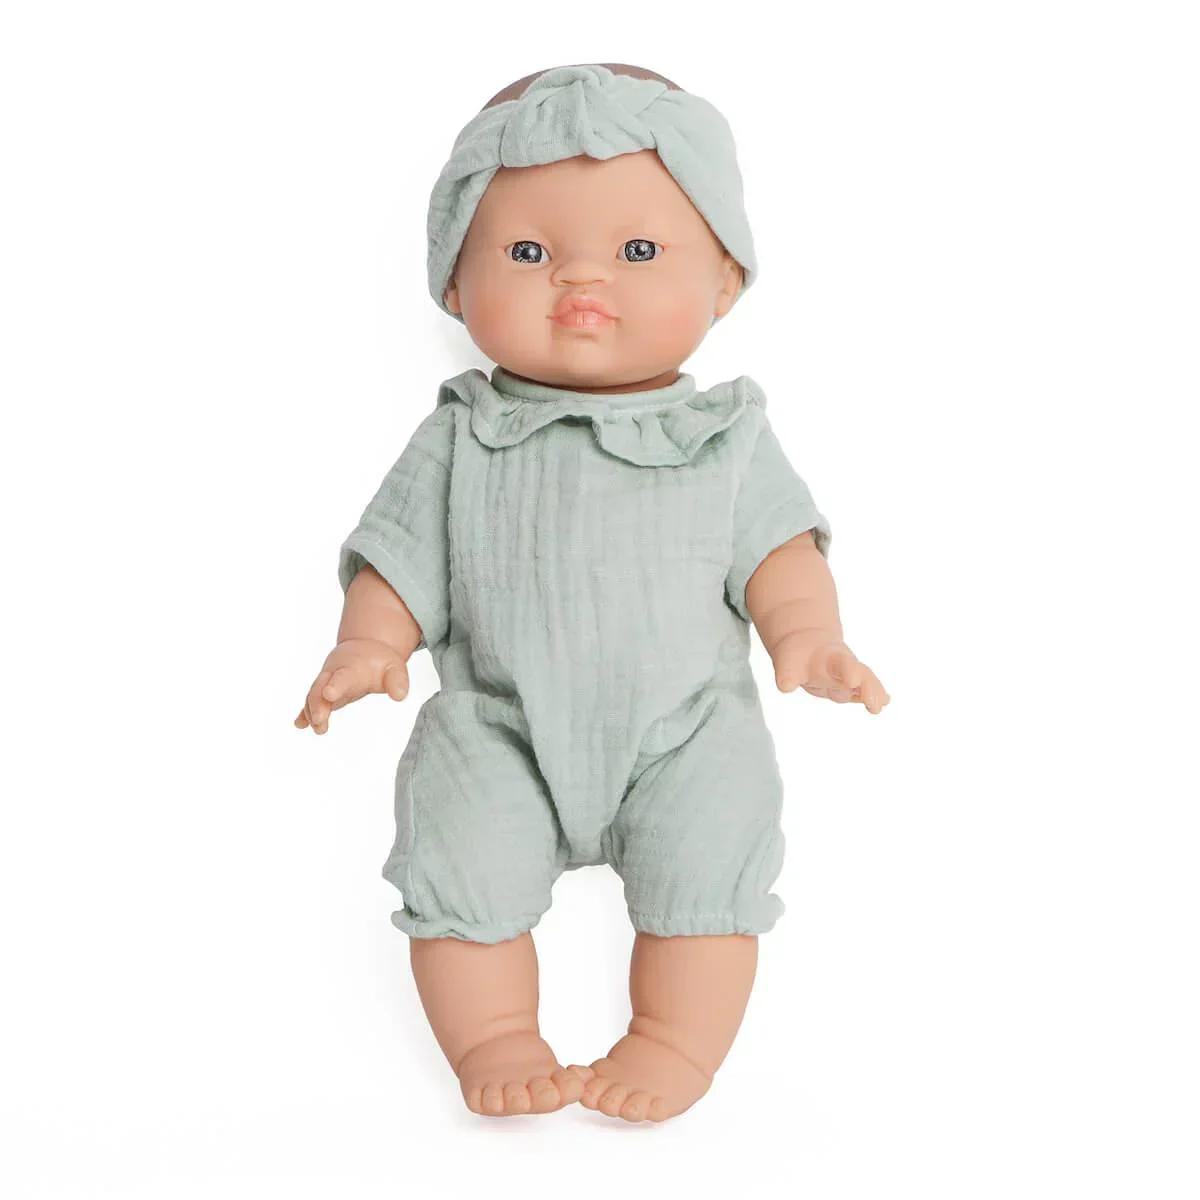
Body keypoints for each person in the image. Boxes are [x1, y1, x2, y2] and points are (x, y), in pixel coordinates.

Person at [296, 63, 889, 1123]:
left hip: (686, 728)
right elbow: (399, 555)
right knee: (459, 861)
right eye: (527, 253)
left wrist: (807, 634)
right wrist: (370, 643)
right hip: (499, 722)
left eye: (639, 252)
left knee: (710, 863)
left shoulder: (724, 436)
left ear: (724, 281)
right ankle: (494, 1036)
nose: (582, 279)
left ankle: (672, 1042)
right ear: (454, 285)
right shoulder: (461, 433)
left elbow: (780, 550)